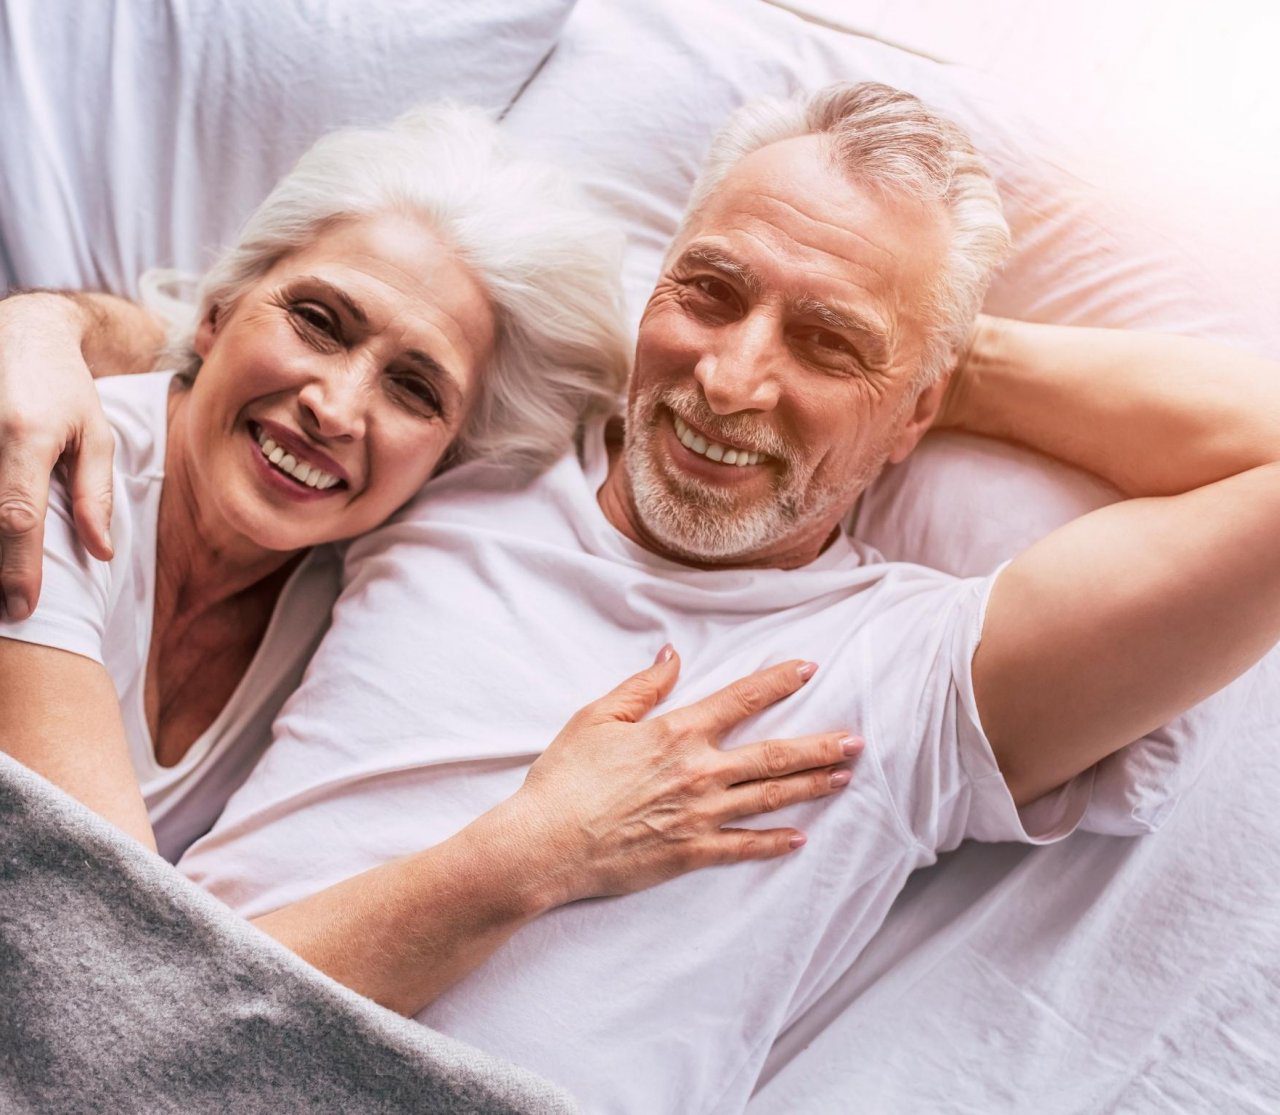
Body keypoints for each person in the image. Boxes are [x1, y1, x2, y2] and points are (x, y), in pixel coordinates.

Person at [4, 81, 1279, 1112]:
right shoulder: (465, 456)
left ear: (916, 413)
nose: (728, 380)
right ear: (651, 285)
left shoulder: (915, 673)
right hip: (141, 1046)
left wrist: (949, 350)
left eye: (823, 343)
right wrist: (43, 325)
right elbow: (239, 348)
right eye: (709, 291)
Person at [0, 105, 861, 1016]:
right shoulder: (42, 469)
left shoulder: (350, 580)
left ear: (447, 456)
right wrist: (542, 848)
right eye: (319, 322)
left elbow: (659, 392)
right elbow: (105, 970)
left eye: (415, 387)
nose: (335, 406)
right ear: (218, 311)